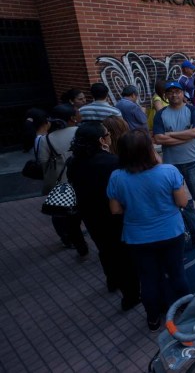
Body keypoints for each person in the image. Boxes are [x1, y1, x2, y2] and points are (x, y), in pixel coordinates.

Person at [107, 130, 190, 331]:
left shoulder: (117, 177)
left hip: (137, 238)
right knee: (177, 273)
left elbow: (115, 209)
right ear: (149, 150)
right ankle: (187, 310)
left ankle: (153, 318)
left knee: (148, 278)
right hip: (171, 233)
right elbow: (183, 201)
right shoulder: (168, 171)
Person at [67, 122, 140, 311]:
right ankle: (130, 296)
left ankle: (112, 281)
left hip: (90, 216)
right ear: (101, 140)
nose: (109, 137)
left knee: (104, 249)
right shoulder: (112, 163)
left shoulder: (74, 162)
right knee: (123, 255)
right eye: (107, 134)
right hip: (113, 216)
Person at [153, 81, 195, 227]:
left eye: (177, 91)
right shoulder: (161, 114)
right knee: (173, 193)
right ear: (166, 95)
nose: (174, 94)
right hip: (171, 164)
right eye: (170, 92)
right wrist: (185, 137)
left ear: (183, 94)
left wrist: (170, 135)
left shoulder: (192, 110)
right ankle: (180, 216)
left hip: (192, 160)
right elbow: (158, 138)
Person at [39, 104, 89, 256]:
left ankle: (77, 245)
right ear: (72, 118)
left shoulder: (46, 140)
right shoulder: (80, 131)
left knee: (67, 217)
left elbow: (43, 162)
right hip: (84, 179)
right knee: (89, 212)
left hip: (63, 184)